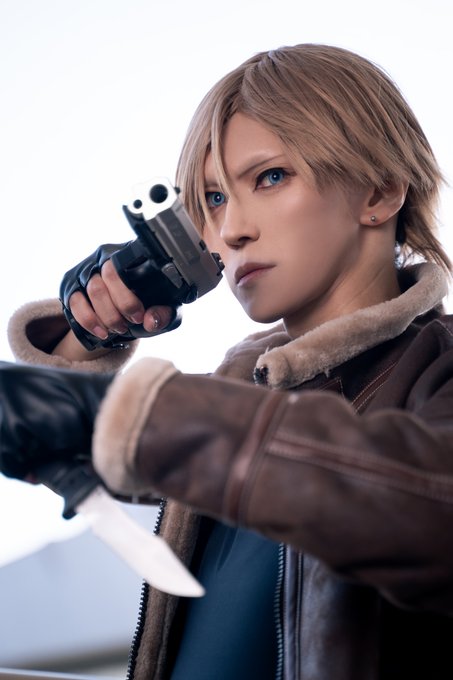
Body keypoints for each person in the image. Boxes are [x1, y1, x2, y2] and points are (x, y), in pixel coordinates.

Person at [1, 43, 453, 680]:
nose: (232, 229)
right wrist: (88, 335)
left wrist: (134, 416)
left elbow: (427, 511)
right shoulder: (239, 406)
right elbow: (98, 455)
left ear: (379, 190)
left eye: (270, 178)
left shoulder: (440, 370)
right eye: (213, 200)